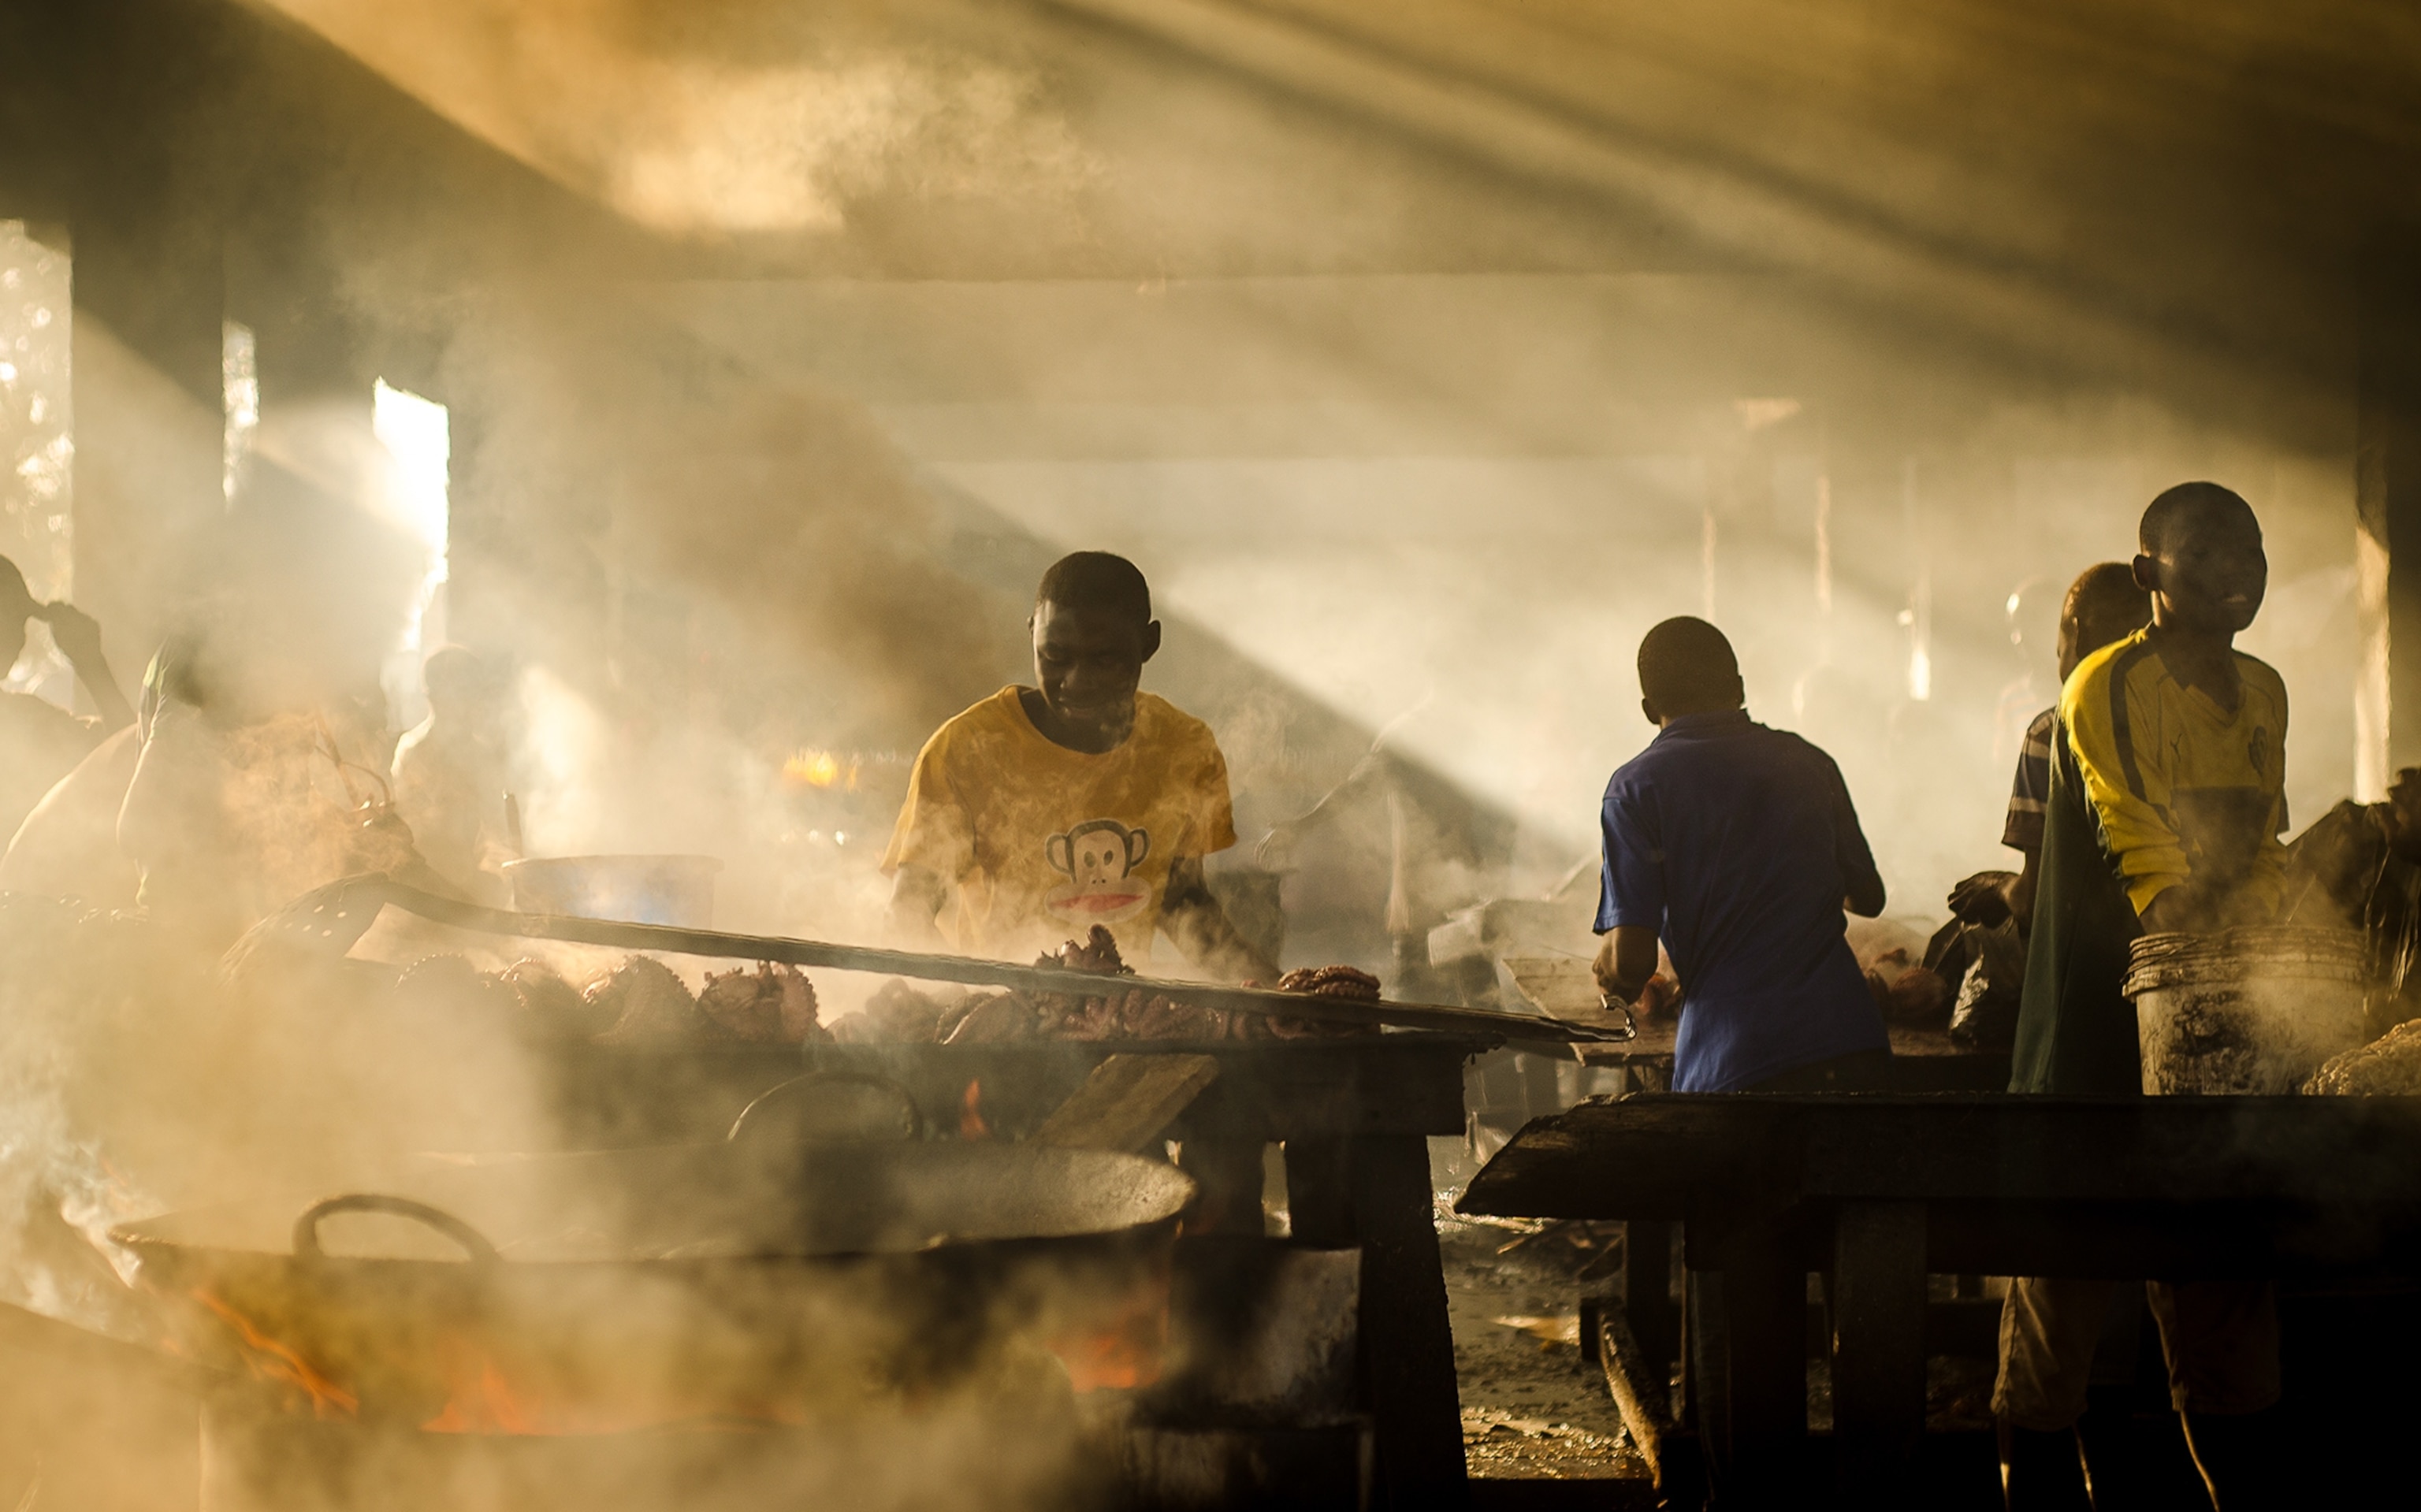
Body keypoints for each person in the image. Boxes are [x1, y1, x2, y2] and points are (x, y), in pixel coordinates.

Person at [1997, 483, 2285, 1509]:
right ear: (2153, 572)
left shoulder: (2262, 688)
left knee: (2226, 1319)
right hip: (2091, 1040)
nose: (2233, 569)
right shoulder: (2097, 689)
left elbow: (2257, 852)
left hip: (2213, 1049)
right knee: (2059, 1312)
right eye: (2203, 550)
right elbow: (2146, 853)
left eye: (2247, 547)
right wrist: (2234, 950)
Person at [883, 553, 1276, 1229]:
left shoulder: (1185, 747)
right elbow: (910, 911)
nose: (1078, 680)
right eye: (1055, 655)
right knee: (1005, 1226)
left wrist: (1266, 989)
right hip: (1000, 1039)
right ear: (1030, 632)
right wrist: (958, 1010)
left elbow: (1185, 904)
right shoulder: (965, 748)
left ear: (1149, 644)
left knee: (1178, 1196)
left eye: (1107, 659)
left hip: (1128, 1040)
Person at [1591, 615, 1891, 1094]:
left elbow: (1631, 961)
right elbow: (1868, 898)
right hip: (1851, 1042)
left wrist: (1610, 969)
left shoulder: (1635, 789)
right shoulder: (1809, 762)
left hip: (1738, 1062)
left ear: (1650, 709)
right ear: (1739, 686)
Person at [1948, 563, 2154, 934]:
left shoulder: (2051, 731)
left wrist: (1996, 886)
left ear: (2073, 631)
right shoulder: (2174, 718)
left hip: (2088, 960)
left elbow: (2033, 898)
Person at [0, 555, 134, 842]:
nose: (20, 638)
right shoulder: (25, 723)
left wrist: (92, 665)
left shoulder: (29, 721)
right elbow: (130, 758)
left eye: (19, 622)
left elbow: (128, 755)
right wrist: (93, 667)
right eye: (10, 618)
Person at [390, 647, 517, 903]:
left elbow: (494, 829)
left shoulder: (481, 755)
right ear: (434, 697)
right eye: (463, 693)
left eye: (474, 693)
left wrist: (508, 872)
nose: (472, 703)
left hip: (468, 880)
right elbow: (415, 826)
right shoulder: (415, 750)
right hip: (424, 884)